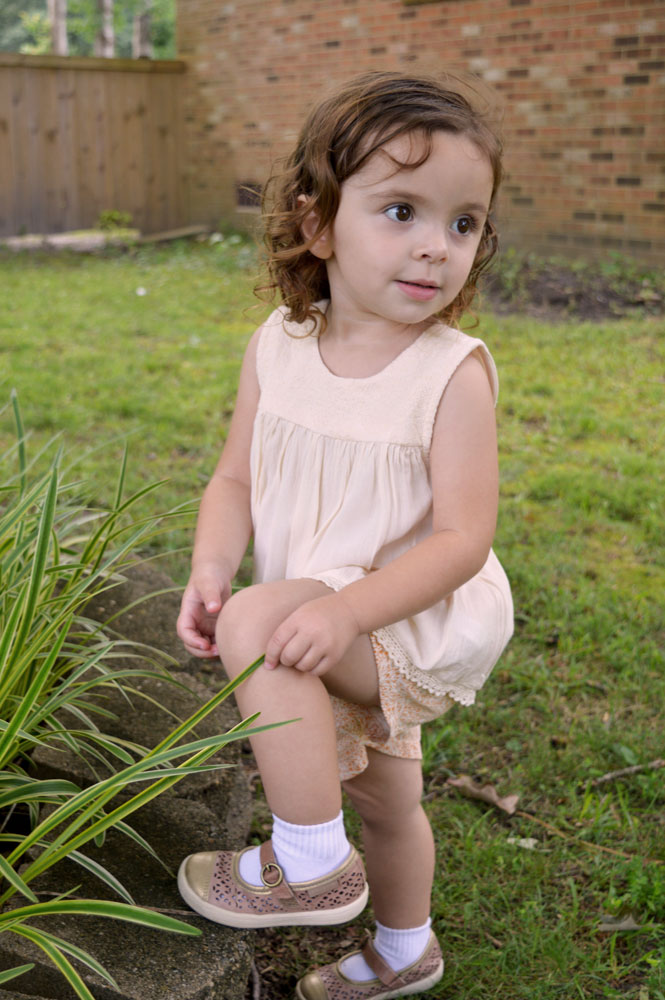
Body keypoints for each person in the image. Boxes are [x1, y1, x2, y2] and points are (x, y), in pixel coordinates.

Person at [176, 70, 513, 999]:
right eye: (401, 211)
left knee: (258, 623)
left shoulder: (450, 375)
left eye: (463, 223)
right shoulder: (278, 345)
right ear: (317, 224)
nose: (437, 246)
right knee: (387, 797)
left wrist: (345, 611)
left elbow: (462, 539)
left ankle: (309, 861)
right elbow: (235, 477)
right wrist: (210, 564)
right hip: (322, 609)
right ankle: (407, 951)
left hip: (404, 614)